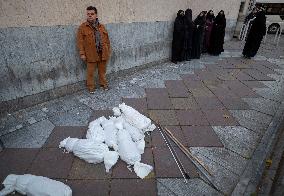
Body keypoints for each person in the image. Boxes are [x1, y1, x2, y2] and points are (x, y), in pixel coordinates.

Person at [77, 6, 111, 94]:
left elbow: (107, 40)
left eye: (92, 14)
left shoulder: (102, 26)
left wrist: (108, 50)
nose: (90, 16)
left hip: (102, 53)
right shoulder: (82, 27)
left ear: (96, 15)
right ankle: (91, 87)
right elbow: (80, 42)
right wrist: (82, 54)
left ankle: (103, 84)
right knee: (90, 72)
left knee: (102, 71)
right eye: (88, 14)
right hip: (91, 54)